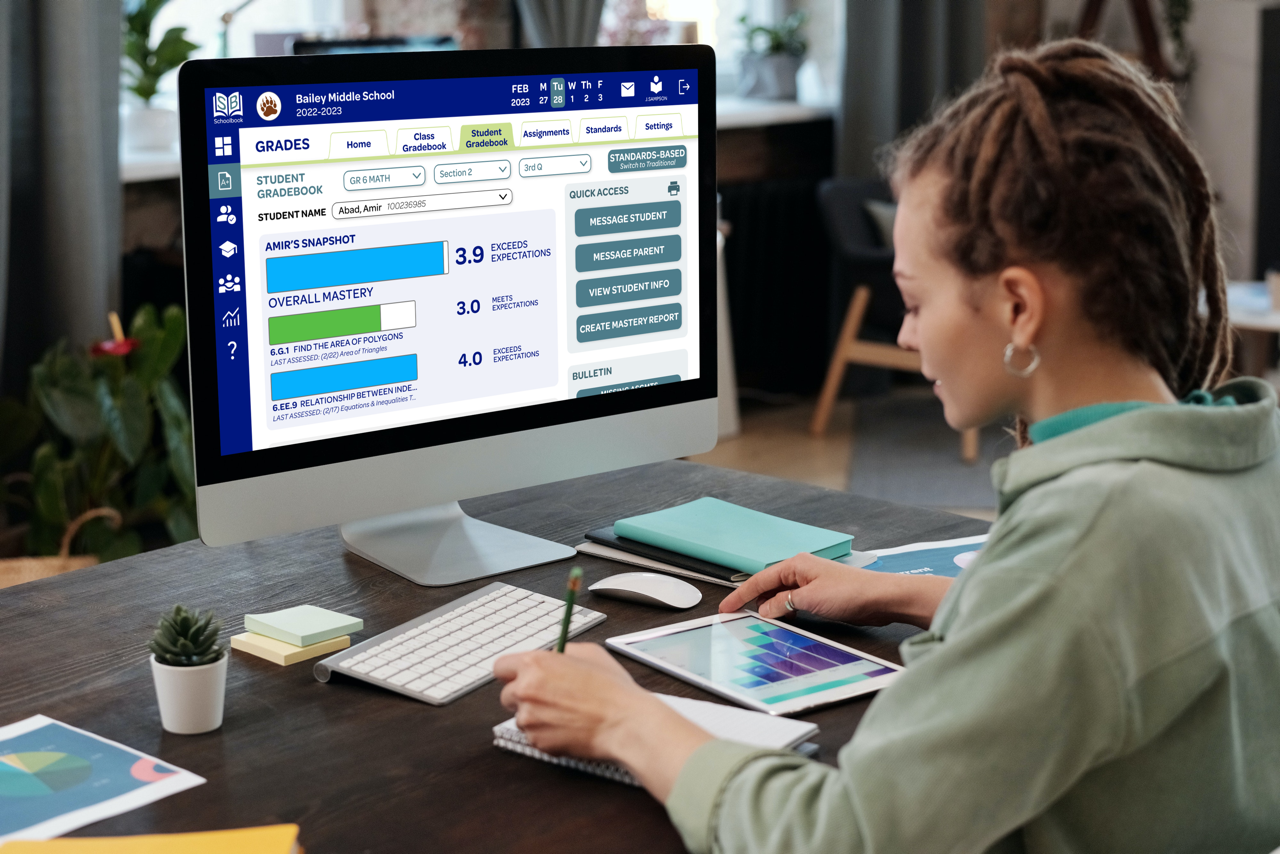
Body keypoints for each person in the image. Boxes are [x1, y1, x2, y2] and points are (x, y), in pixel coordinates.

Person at [493, 39, 1280, 853]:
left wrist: (627, 721)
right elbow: (1131, 628)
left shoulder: (1085, 539)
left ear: (1018, 308)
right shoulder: (1241, 458)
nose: (905, 336)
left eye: (913, 299)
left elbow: (844, 838)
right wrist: (908, 593)